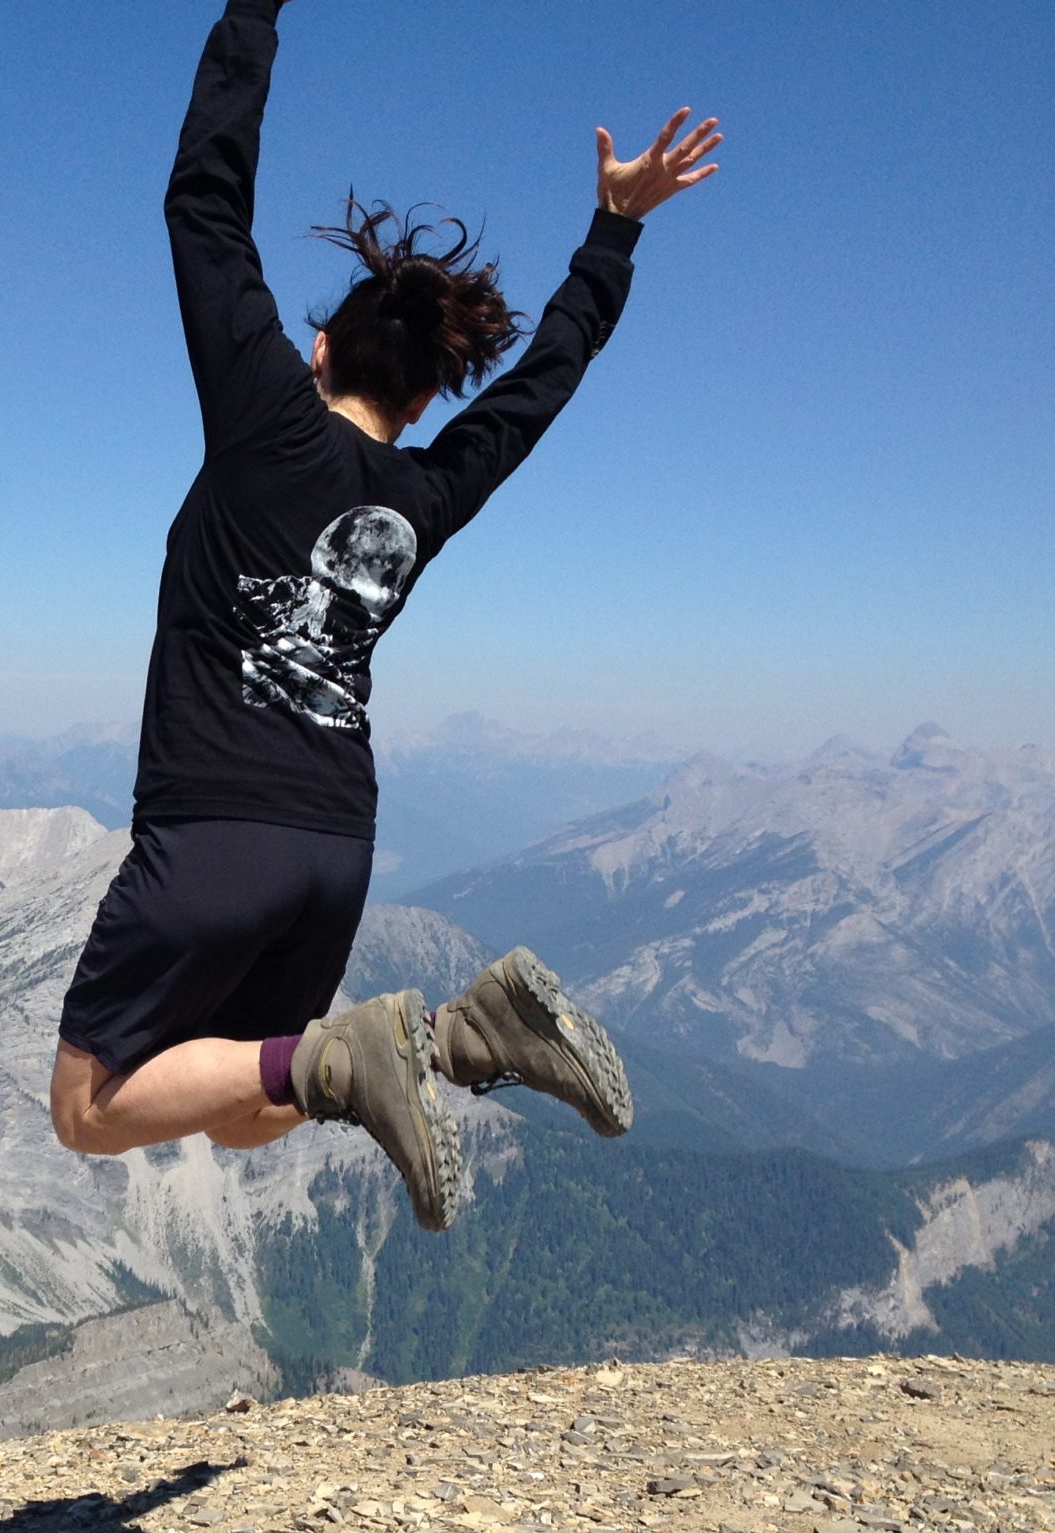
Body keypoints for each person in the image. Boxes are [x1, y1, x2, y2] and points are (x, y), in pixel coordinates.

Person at [51, 0, 720, 1229]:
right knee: (254, 1105)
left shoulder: (266, 416)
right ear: (420, 399)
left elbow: (204, 202)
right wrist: (611, 235)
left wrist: (253, 11)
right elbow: (536, 391)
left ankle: (369, 1052)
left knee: (90, 1107)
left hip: (211, 827)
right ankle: (466, 1038)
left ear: (315, 350)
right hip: (336, 842)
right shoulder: (431, 489)